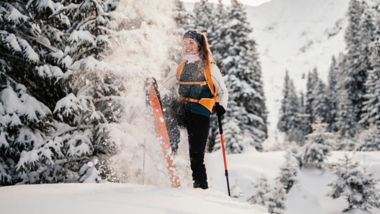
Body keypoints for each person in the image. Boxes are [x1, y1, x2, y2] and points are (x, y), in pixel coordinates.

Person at [162, 30, 228, 189]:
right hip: (182, 109)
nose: (187, 46)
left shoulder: (209, 68)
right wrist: (154, 92)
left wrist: (221, 106)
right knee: (169, 108)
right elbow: (165, 87)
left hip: (200, 113)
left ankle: (201, 188)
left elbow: (223, 91)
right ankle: (173, 145)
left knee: (196, 156)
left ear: (199, 45)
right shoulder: (180, 68)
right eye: (184, 43)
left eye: (191, 42)